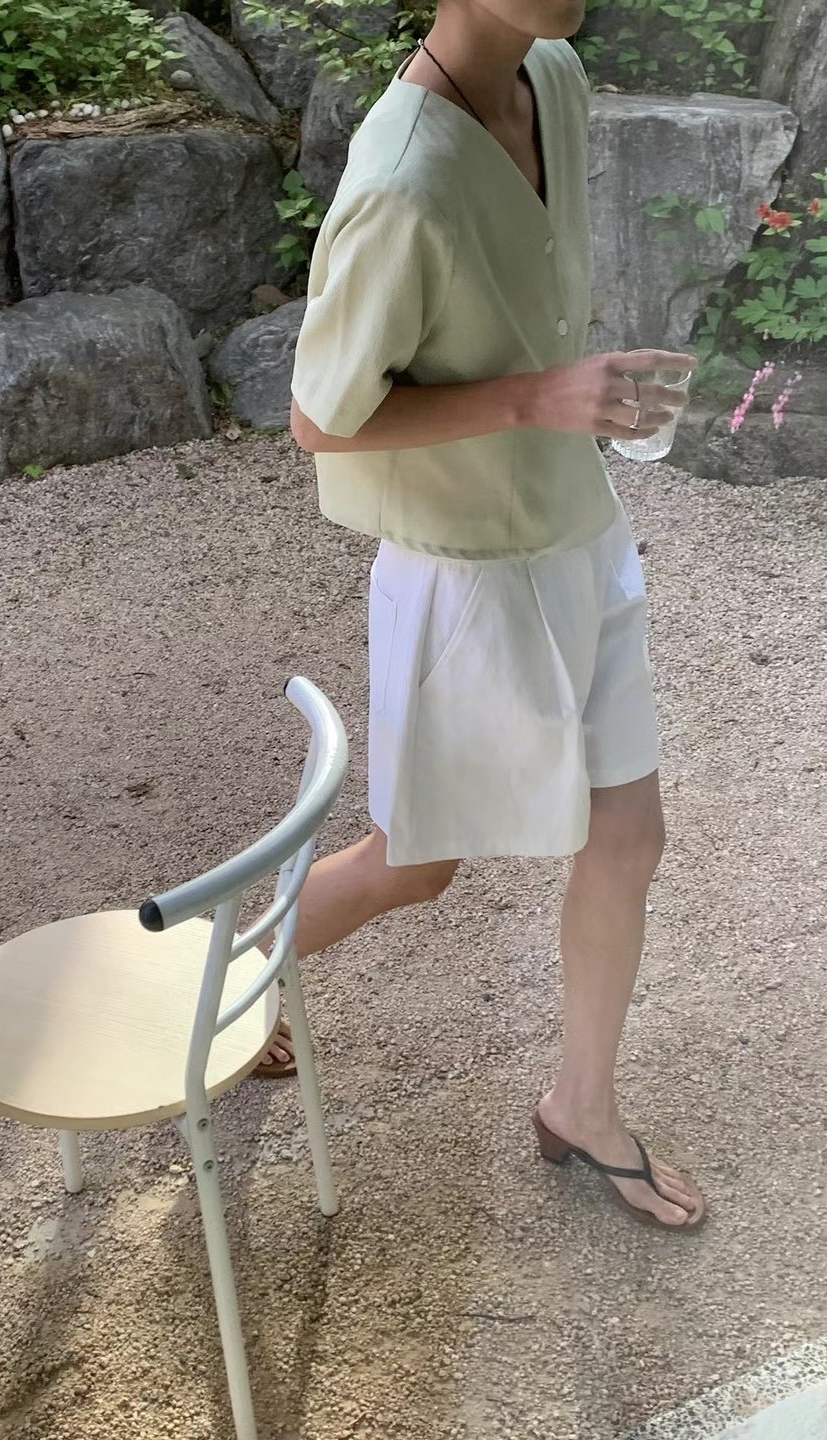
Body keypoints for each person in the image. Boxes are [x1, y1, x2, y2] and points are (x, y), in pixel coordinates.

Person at [257, 0, 706, 1230]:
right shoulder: (402, 178)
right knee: (413, 866)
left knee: (628, 838)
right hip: (465, 571)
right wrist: (537, 398)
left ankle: (582, 1105)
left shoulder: (552, 75)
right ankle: (226, 974)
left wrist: (568, 399)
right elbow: (319, 420)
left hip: (580, 529)